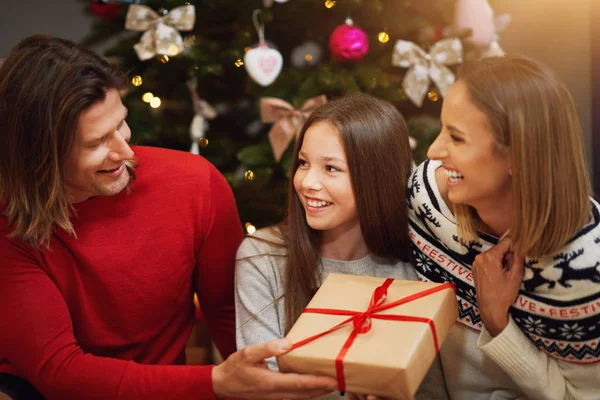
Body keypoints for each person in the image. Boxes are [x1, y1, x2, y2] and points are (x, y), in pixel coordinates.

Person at [0, 34, 338, 400]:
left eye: (121, 124)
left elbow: (227, 312)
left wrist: (260, 383)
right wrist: (215, 382)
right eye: (96, 143)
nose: (125, 151)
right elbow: (59, 371)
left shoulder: (194, 183)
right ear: (41, 155)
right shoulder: (8, 223)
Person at [408, 55, 600, 400]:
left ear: (517, 154)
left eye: (456, 137)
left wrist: (498, 321)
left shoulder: (590, 268)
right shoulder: (424, 196)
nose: (434, 151)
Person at [235, 94, 449, 399]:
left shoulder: (417, 268)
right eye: (303, 163)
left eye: (331, 168)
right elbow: (263, 389)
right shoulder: (263, 257)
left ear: (376, 178)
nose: (307, 182)